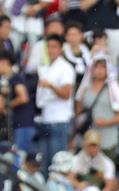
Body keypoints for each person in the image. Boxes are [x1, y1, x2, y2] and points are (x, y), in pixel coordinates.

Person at [35, 35, 75, 170]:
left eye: (54, 47)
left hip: (60, 121)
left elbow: (66, 94)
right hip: (46, 119)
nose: (51, 50)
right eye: (49, 47)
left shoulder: (65, 68)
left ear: (60, 49)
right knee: (44, 164)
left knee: (57, 165)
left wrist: (51, 86)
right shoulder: (46, 68)